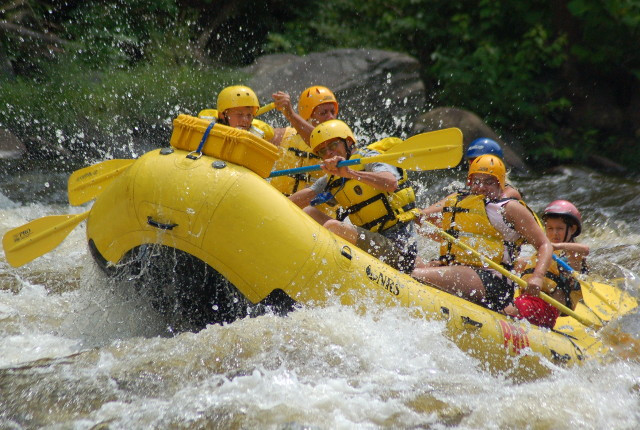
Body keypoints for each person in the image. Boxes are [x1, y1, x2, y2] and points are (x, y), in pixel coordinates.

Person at [411, 154, 553, 312]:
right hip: (455, 268)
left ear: (500, 184)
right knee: (407, 261)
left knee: (415, 274)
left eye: (489, 182)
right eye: (477, 181)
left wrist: (537, 277)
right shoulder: (457, 199)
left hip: (492, 280)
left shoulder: (510, 209)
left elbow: (544, 244)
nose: (481, 187)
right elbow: (422, 217)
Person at [289, 119, 418, 273]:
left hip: (399, 248)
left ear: (348, 143)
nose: (329, 153)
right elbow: (307, 196)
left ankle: (320, 269)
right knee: (309, 212)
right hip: (373, 239)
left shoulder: (369, 158)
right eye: (323, 151)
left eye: (333, 145)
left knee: (333, 227)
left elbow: (391, 183)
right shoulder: (333, 176)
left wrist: (351, 173)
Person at [504, 200, 589, 328]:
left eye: (559, 229)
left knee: (505, 310)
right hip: (526, 303)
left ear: (572, 229)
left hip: (545, 309)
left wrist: (553, 246)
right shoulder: (538, 257)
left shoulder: (571, 258)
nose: (554, 233)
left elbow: (585, 250)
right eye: (550, 228)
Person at [270, 86, 340, 195]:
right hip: (279, 206)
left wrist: (290, 114)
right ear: (308, 117)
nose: (331, 117)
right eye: (323, 113)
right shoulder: (282, 136)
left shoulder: (340, 141)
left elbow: (321, 140)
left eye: (333, 111)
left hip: (315, 211)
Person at [198, 85, 277, 140]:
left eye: (249, 115)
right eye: (239, 114)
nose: (245, 120)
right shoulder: (206, 124)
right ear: (222, 115)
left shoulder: (257, 134)